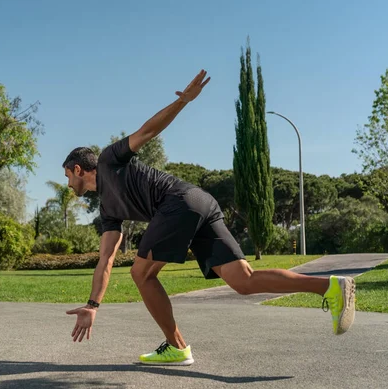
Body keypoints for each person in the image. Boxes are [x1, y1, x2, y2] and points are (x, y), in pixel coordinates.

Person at [62, 69, 355, 365]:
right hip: (200, 202)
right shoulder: (108, 210)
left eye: (67, 176)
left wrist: (183, 102)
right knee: (243, 281)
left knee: (141, 273)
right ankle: (329, 286)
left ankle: (177, 347)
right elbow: (106, 259)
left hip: (177, 202)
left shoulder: (110, 159)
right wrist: (92, 305)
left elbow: (147, 132)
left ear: (78, 169)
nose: (68, 184)